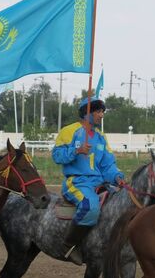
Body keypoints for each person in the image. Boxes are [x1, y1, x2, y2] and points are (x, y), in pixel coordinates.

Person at [52, 97, 124, 265]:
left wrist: (117, 176)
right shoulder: (69, 131)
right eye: (98, 111)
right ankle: (68, 246)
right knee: (90, 206)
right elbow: (56, 156)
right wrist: (76, 151)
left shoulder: (101, 137)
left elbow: (108, 165)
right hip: (77, 183)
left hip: (100, 183)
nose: (102, 115)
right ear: (87, 112)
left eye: (102, 112)